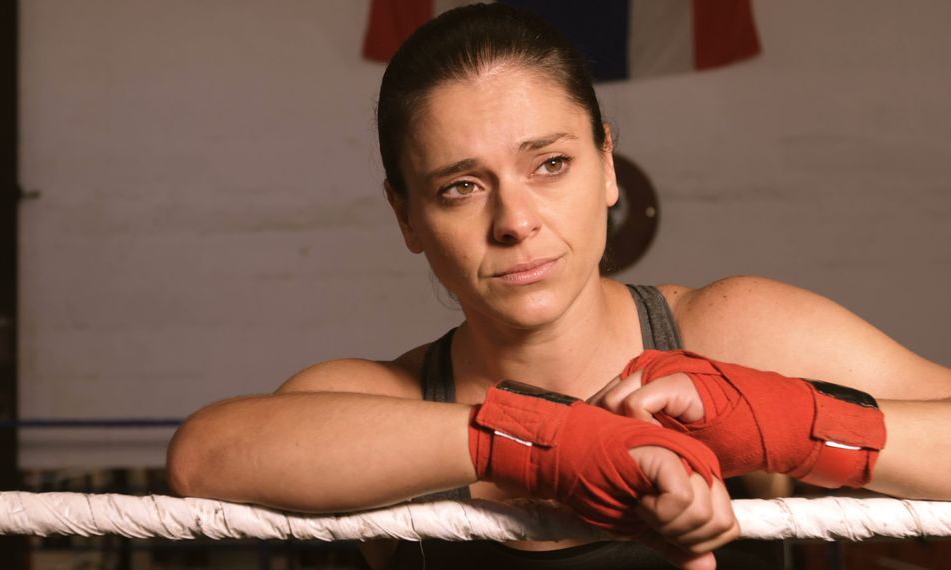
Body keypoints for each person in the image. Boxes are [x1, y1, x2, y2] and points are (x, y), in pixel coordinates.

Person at [166, 4, 951, 569]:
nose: (516, 220)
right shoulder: (383, 401)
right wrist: (542, 446)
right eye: (460, 187)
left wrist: (791, 421)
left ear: (608, 164)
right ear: (405, 218)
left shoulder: (731, 331)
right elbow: (205, 458)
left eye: (551, 165)